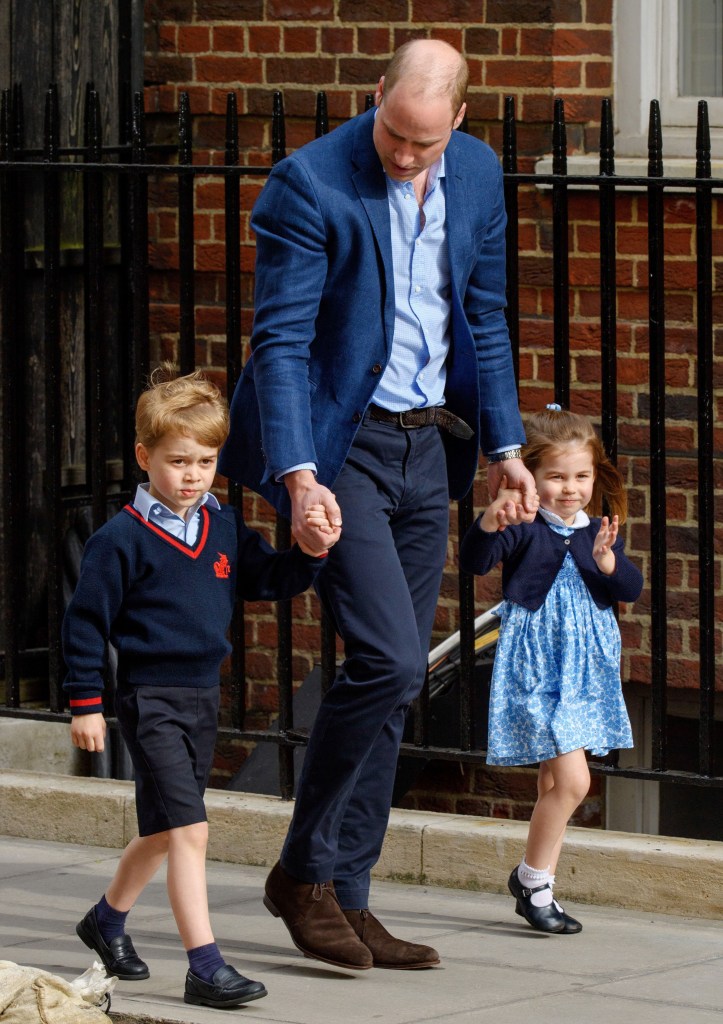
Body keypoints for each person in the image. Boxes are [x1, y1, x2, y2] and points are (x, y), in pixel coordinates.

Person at [219, 38, 537, 971]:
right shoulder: (310, 183)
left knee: (388, 680)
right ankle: (300, 875)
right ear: (375, 101)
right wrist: (298, 476)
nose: (404, 156)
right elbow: (278, 344)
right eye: (394, 134)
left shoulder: (476, 174)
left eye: (423, 144)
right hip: (343, 450)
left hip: (429, 446)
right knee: (396, 657)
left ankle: (346, 897)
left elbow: (485, 315)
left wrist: (506, 448)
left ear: (460, 124)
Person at [62, 365, 335, 1008]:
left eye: (206, 461)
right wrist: (86, 704)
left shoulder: (222, 525)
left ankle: (104, 921)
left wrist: (312, 551)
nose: (193, 475)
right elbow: (84, 623)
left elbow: (269, 577)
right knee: (191, 828)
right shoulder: (119, 539)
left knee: (161, 828)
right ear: (144, 456)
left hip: (201, 697)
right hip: (147, 699)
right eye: (178, 460)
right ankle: (204, 966)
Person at [459, 404, 643, 934]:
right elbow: (475, 561)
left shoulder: (598, 531)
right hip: (539, 665)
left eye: (581, 476)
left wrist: (610, 564)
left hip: (584, 671)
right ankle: (532, 880)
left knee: (552, 786)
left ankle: (542, 887)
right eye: (557, 476)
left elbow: (627, 589)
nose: (571, 488)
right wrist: (491, 520)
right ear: (533, 477)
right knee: (574, 782)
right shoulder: (525, 527)